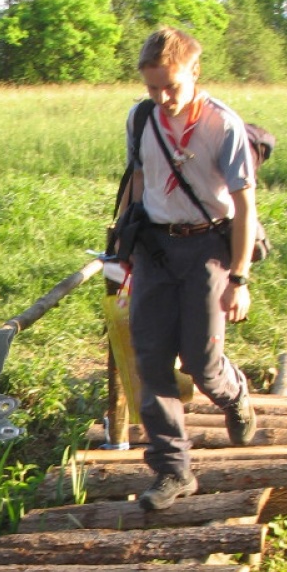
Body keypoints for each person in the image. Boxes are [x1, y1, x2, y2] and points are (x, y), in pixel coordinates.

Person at [118, 27, 256, 511]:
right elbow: (137, 182)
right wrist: (123, 247)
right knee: (150, 361)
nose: (162, 98)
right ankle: (173, 470)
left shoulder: (224, 126)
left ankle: (234, 395)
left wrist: (238, 278)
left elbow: (244, 207)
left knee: (201, 364)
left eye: (171, 87)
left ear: (194, 72)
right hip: (154, 250)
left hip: (208, 249)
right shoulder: (141, 119)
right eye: (153, 88)